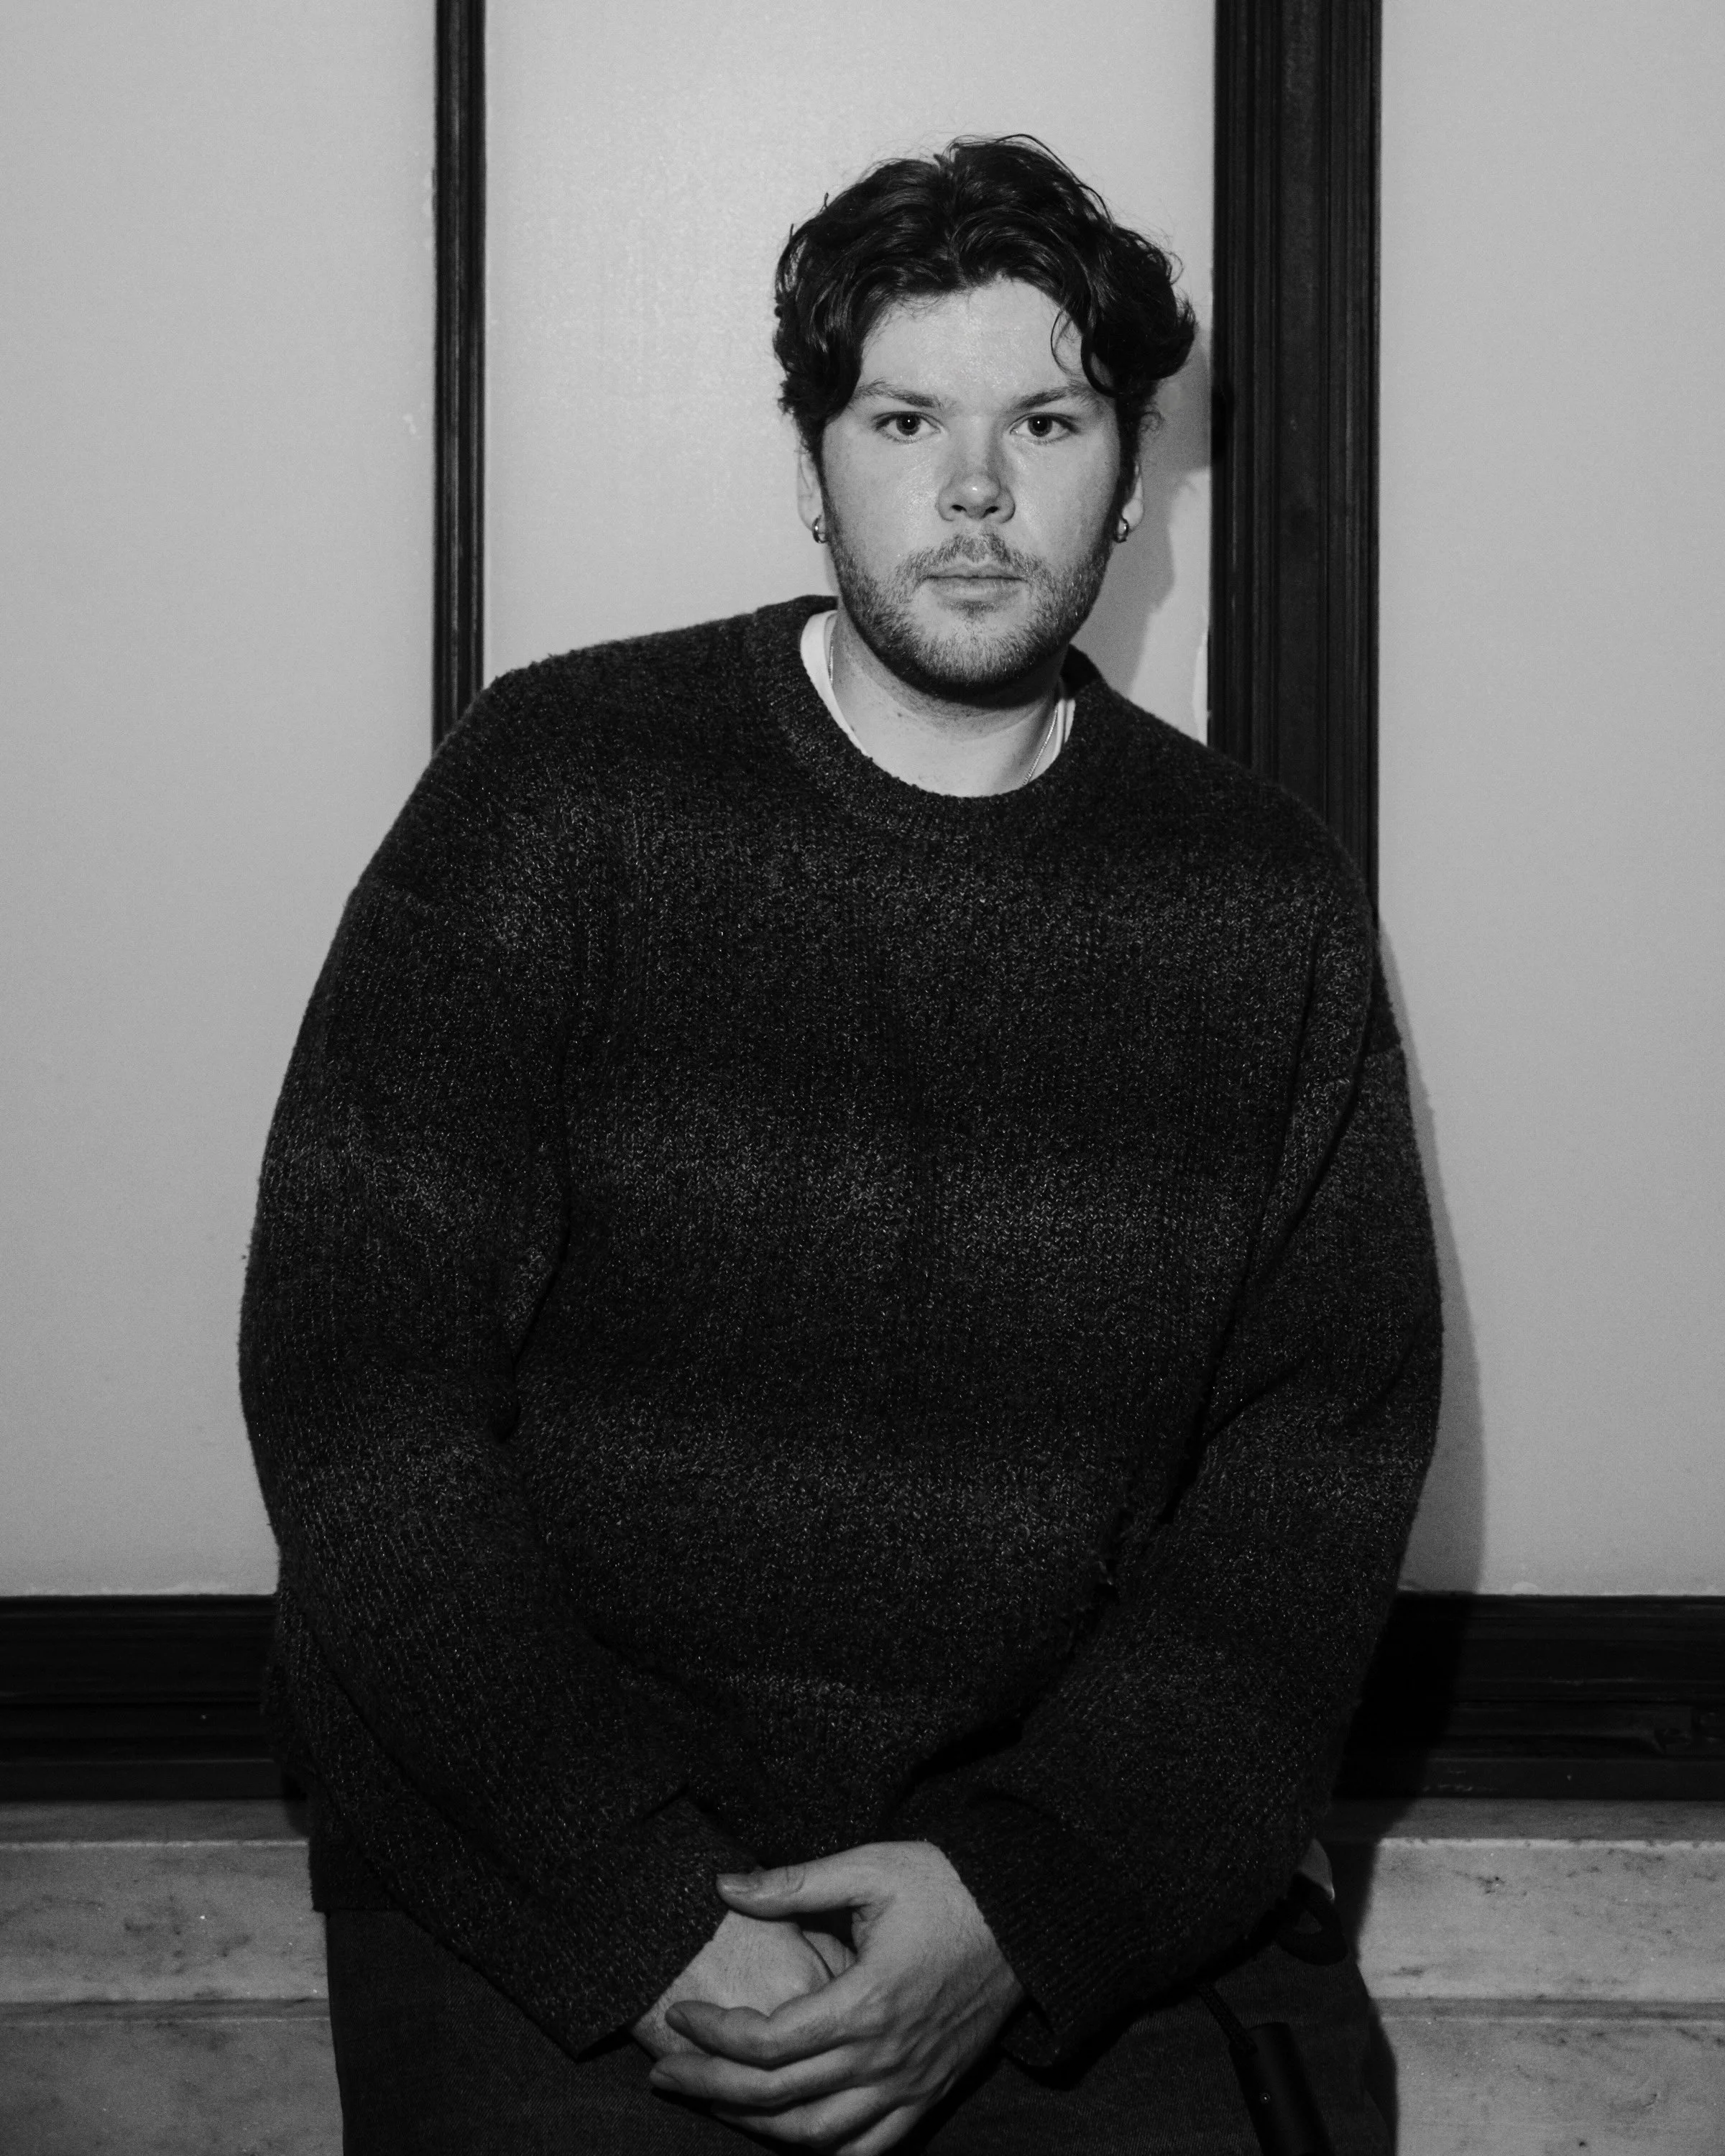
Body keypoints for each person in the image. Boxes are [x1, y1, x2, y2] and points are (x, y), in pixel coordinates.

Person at [240, 136, 1440, 2154]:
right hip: (552, 1876)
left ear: (1128, 479)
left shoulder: (1260, 905)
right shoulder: (560, 793)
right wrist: (635, 1910)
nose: (975, 494)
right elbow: (359, 1387)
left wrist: (1024, 1903)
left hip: (1043, 1874)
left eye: (1043, 422)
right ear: (815, 466)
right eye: (906, 419)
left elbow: (1310, 1490)